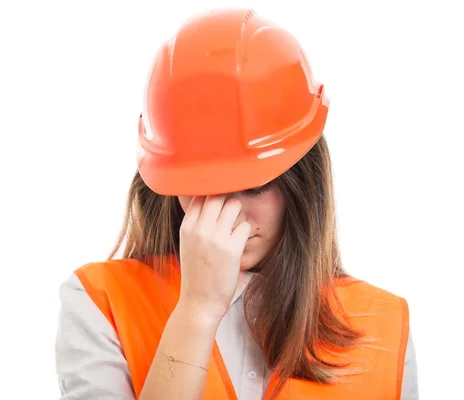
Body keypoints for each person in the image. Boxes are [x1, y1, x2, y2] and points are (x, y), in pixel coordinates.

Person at [55, 8, 418, 400]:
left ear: (302, 185)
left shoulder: (385, 324)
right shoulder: (100, 302)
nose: (225, 216)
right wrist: (196, 311)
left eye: (254, 186)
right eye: (198, 185)